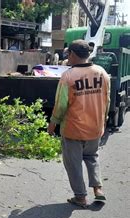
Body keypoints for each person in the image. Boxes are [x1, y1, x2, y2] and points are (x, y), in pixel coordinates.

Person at [47, 39, 110, 208]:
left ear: (73, 54)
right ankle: (98, 189)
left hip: (73, 130)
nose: (67, 57)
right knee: (92, 157)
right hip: (95, 128)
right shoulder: (102, 73)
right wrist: (103, 123)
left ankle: (80, 197)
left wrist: (52, 126)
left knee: (73, 164)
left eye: (68, 54)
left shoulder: (69, 76)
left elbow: (60, 105)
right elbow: (106, 101)